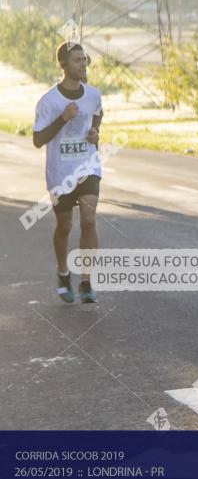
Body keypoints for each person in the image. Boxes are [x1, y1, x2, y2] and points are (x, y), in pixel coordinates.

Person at [33, 42, 102, 303]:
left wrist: (96, 133)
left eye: (84, 59)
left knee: (88, 220)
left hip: (88, 166)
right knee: (64, 227)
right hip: (60, 172)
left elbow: (97, 115)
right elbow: (38, 140)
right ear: (63, 65)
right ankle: (63, 272)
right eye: (77, 60)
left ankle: (86, 281)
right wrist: (62, 118)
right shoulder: (49, 101)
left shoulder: (93, 94)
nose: (83, 64)